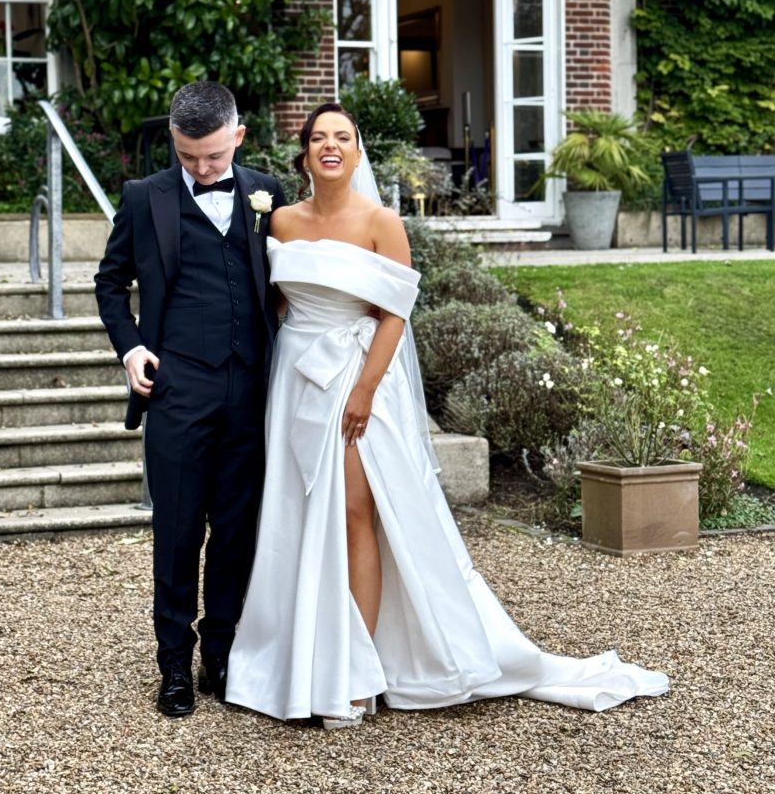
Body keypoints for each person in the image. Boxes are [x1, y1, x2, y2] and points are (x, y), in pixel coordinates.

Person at [225, 103, 668, 727]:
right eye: (319, 138)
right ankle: (298, 660)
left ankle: (358, 674)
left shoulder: (381, 222)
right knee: (300, 514)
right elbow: (274, 305)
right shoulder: (283, 224)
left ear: (357, 154)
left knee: (357, 513)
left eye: (343, 138)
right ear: (303, 155)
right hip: (296, 381)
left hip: (357, 381)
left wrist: (364, 391)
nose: (331, 147)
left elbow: (395, 313)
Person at [95, 81, 286, 718]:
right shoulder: (143, 198)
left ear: (238, 134)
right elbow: (108, 282)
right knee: (177, 532)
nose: (200, 168)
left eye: (212, 156)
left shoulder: (268, 193)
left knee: (236, 532)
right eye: (187, 157)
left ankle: (221, 654)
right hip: (177, 390)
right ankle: (173, 663)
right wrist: (130, 349)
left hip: (252, 391)